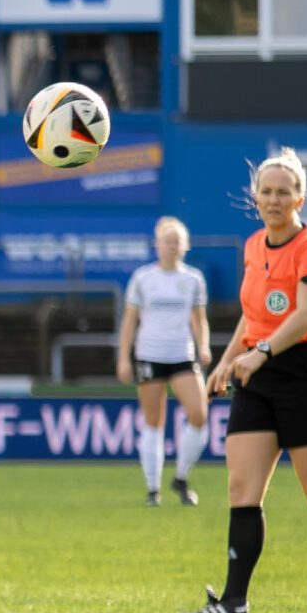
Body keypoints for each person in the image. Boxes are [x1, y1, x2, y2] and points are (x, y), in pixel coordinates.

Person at [177, 148, 307, 613]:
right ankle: (234, 603)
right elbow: (252, 315)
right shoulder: (253, 246)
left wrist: (261, 352)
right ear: (255, 198)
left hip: (306, 375)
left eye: (283, 192)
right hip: (257, 376)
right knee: (242, 488)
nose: (274, 199)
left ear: (300, 199)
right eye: (266, 192)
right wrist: (226, 361)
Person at [116, 217, 211, 507]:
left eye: (177, 242)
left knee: (199, 414)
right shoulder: (143, 278)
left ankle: (181, 476)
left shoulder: (193, 279)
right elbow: (129, 321)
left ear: (185, 246)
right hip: (150, 355)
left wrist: (203, 346)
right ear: (156, 245)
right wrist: (124, 358)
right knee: (153, 422)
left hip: (182, 354)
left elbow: (199, 319)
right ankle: (152, 488)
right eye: (167, 241)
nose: (172, 246)